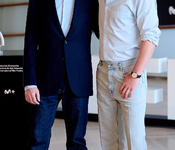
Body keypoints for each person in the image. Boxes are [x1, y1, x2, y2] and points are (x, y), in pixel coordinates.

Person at [23, 0, 98, 149]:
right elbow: (30, 40)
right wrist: (29, 83)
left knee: (77, 142)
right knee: (37, 141)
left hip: (78, 79)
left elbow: (104, 31)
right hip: (44, 80)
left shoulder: (90, 1)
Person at [97, 0, 161, 149]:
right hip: (104, 71)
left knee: (135, 141)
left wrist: (135, 75)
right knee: (108, 140)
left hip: (129, 72)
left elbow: (151, 37)